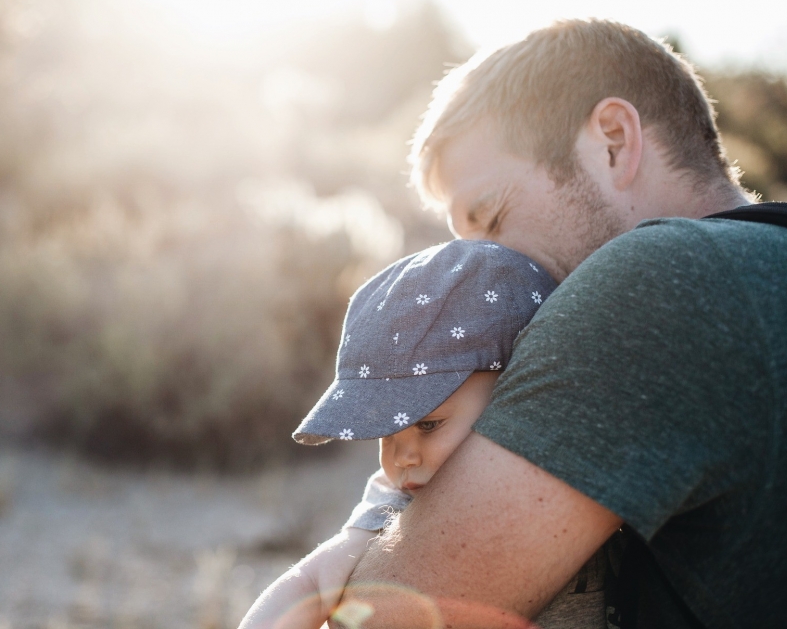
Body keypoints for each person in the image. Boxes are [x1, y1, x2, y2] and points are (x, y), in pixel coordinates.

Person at [337, 19, 787, 628]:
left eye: (492, 217)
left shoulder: (655, 282)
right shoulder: (782, 259)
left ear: (613, 140)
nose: (477, 270)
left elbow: (386, 620)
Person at [240, 239, 611, 629]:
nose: (402, 457)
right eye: (385, 434)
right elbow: (311, 580)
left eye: (428, 424)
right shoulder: (398, 500)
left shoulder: (580, 455)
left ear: (514, 389)